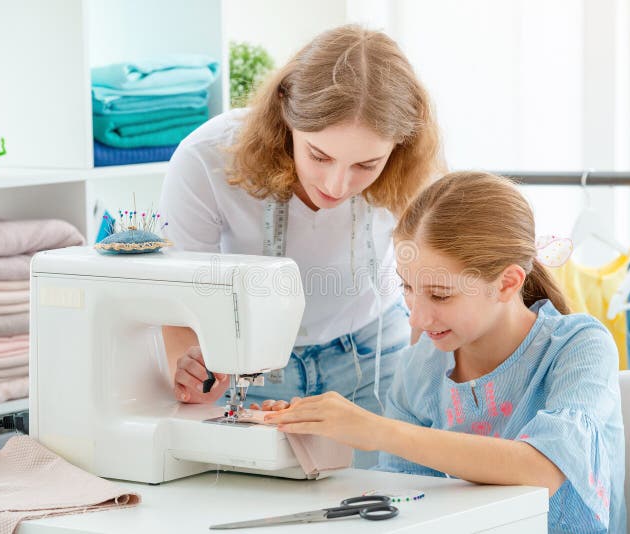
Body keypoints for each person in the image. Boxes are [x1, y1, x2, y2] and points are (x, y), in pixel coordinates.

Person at [263, 172, 627, 533]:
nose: (417, 317)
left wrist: (378, 431)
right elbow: (407, 501)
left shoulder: (578, 347)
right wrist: (319, 438)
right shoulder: (420, 365)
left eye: (440, 295)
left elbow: (542, 471)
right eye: (407, 287)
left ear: (507, 282)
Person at [158, 24, 442, 459]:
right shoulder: (207, 159)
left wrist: (429, 378)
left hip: (373, 357)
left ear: (398, 147)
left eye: (367, 165)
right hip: (247, 361)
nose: (337, 183)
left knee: (383, 508)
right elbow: (177, 292)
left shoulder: (415, 170)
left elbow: (432, 279)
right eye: (319, 155)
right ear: (284, 114)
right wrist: (195, 370)